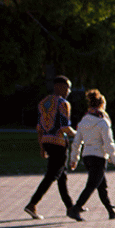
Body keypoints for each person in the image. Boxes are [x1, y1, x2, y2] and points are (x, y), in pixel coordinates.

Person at [66, 89, 115, 221]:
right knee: (92, 185)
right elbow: (109, 143)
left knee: (101, 185)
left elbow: (76, 142)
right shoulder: (103, 123)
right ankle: (75, 209)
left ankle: (111, 209)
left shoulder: (83, 122)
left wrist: (74, 159)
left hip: (87, 157)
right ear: (102, 105)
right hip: (99, 157)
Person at [25, 75, 77, 220]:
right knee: (52, 175)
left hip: (47, 142)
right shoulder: (63, 104)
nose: (69, 91)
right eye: (68, 87)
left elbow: (39, 128)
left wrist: (42, 147)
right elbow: (65, 127)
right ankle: (32, 203)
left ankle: (70, 207)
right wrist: (79, 135)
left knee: (61, 175)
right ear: (59, 86)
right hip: (59, 143)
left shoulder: (43, 103)